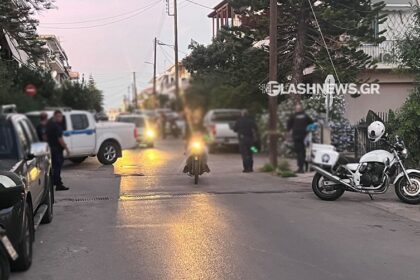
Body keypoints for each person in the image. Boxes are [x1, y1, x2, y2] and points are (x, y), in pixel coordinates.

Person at [46, 110, 70, 191]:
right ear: (55, 117)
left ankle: (55, 183)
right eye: (59, 116)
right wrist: (67, 149)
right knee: (57, 167)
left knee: (54, 167)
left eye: (61, 116)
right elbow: (60, 139)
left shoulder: (50, 125)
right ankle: (58, 184)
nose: (60, 118)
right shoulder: (56, 126)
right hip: (56, 150)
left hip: (52, 149)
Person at [287, 104, 313, 173]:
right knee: (302, 151)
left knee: (299, 152)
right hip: (303, 136)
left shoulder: (294, 116)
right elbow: (312, 123)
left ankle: (300, 167)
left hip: (297, 136)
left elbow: (289, 125)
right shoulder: (305, 116)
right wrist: (308, 129)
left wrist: (289, 132)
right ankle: (303, 167)